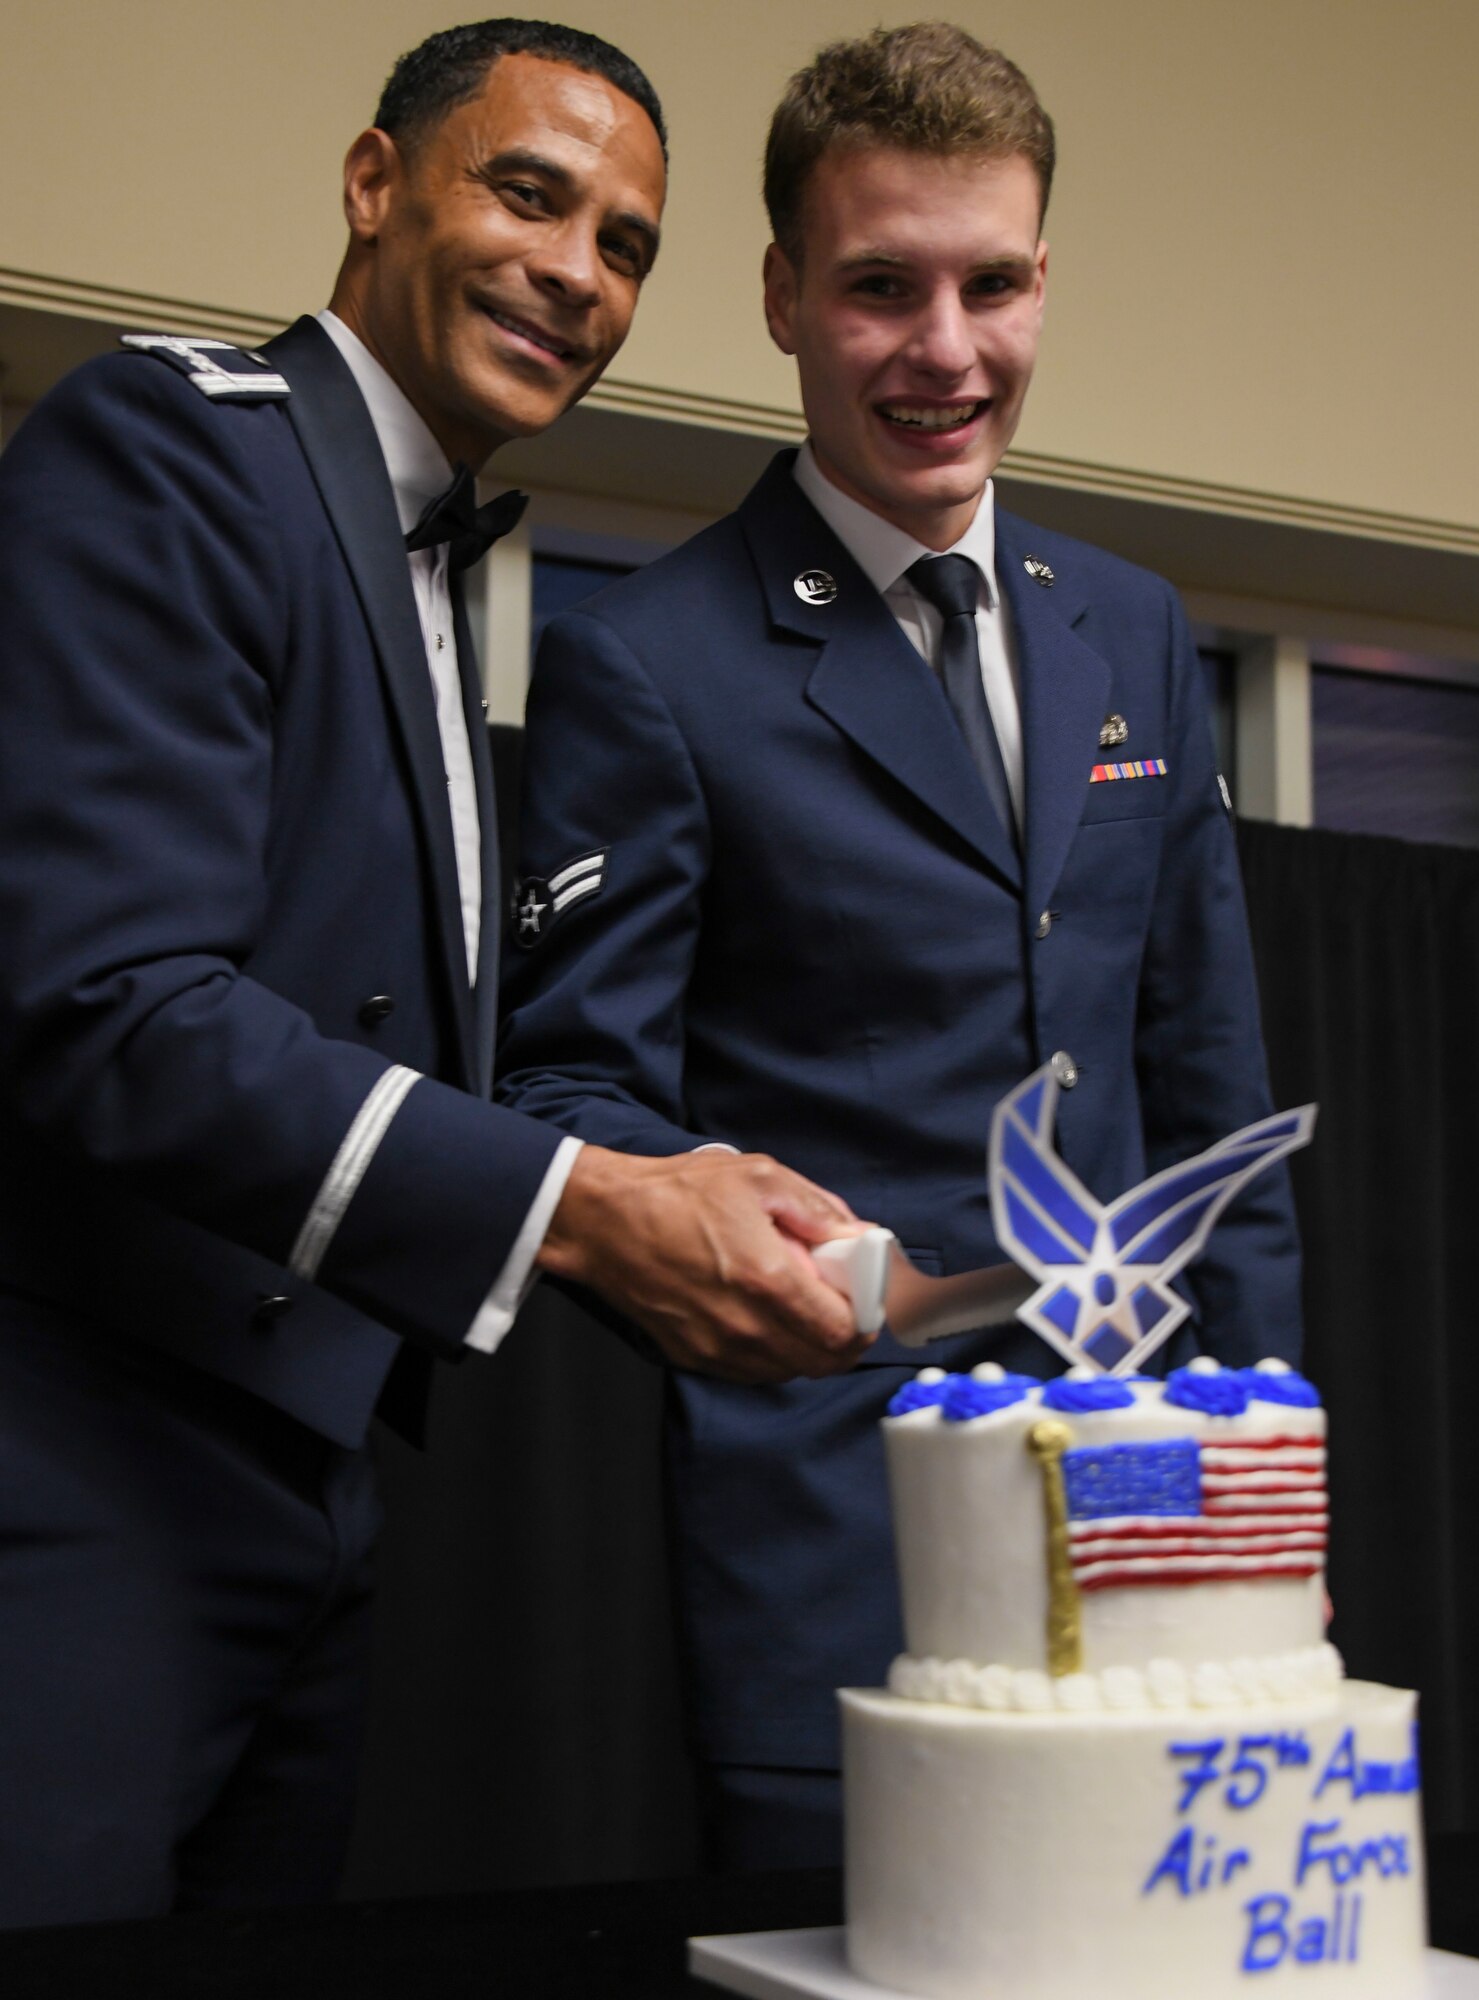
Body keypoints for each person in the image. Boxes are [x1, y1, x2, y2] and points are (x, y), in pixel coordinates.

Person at [0, 19, 871, 1929]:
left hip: (308, 1496)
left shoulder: (440, 567)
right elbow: (109, 1005)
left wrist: (690, 1206)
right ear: (374, 184)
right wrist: (583, 1210)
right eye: (529, 192)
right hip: (76, 1483)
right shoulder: (171, 443)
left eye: (627, 244)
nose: (579, 270)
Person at [496, 22, 1305, 1870]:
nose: (948, 350)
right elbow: (570, 1087)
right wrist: (772, 1246)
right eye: (881, 287)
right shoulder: (653, 658)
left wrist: (1260, 1501)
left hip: (1151, 1545)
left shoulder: (1139, 627)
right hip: (833, 1553)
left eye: (992, 283)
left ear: (1042, 281)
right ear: (783, 296)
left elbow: (1213, 1101)